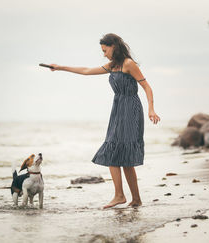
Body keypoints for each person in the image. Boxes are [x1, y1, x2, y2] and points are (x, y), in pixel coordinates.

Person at [48, 33, 160, 209]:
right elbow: (86, 71)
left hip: (131, 109)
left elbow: (146, 86)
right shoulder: (112, 66)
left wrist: (151, 109)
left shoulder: (128, 64)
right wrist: (60, 67)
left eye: (105, 50)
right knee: (121, 154)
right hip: (117, 109)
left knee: (115, 151)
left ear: (114, 46)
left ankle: (119, 195)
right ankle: (136, 199)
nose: (104, 54)